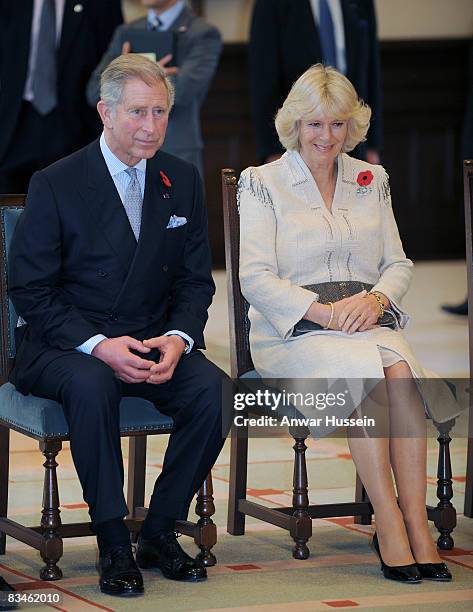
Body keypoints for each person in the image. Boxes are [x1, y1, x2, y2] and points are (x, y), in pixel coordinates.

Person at [8, 54, 226, 597]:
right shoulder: (55, 182)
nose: (150, 126)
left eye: (159, 112)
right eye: (136, 112)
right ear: (105, 112)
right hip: (65, 344)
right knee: (92, 382)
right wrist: (99, 345)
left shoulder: (184, 179)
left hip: (153, 339)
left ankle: (158, 531)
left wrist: (178, 340)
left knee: (215, 391)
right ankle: (112, 540)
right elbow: (30, 289)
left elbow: (197, 281)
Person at [238, 64, 456, 583]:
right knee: (369, 378)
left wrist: (377, 300)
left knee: (400, 372)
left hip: (363, 321)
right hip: (294, 330)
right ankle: (388, 521)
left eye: (337, 124)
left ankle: (415, 521)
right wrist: (321, 312)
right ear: (295, 124)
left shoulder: (370, 178)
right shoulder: (262, 183)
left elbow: (398, 264)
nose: (326, 137)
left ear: (351, 126)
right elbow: (254, 277)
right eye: (315, 124)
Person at [86, 0, 222, 178]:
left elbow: (182, 91)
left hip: (175, 150)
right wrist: (148, 73)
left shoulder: (202, 33)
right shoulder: (126, 32)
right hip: (121, 154)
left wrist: (126, 76)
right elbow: (94, 92)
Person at [0, 0, 123, 193]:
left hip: (76, 127)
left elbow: (111, 65)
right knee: (8, 213)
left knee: (72, 206)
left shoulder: (101, 5)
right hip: (13, 126)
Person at [249, 0, 382, 165]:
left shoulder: (363, 3)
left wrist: (372, 145)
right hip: (297, 143)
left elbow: (371, 70)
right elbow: (263, 79)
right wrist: (272, 150)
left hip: (352, 137)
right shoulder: (271, 4)